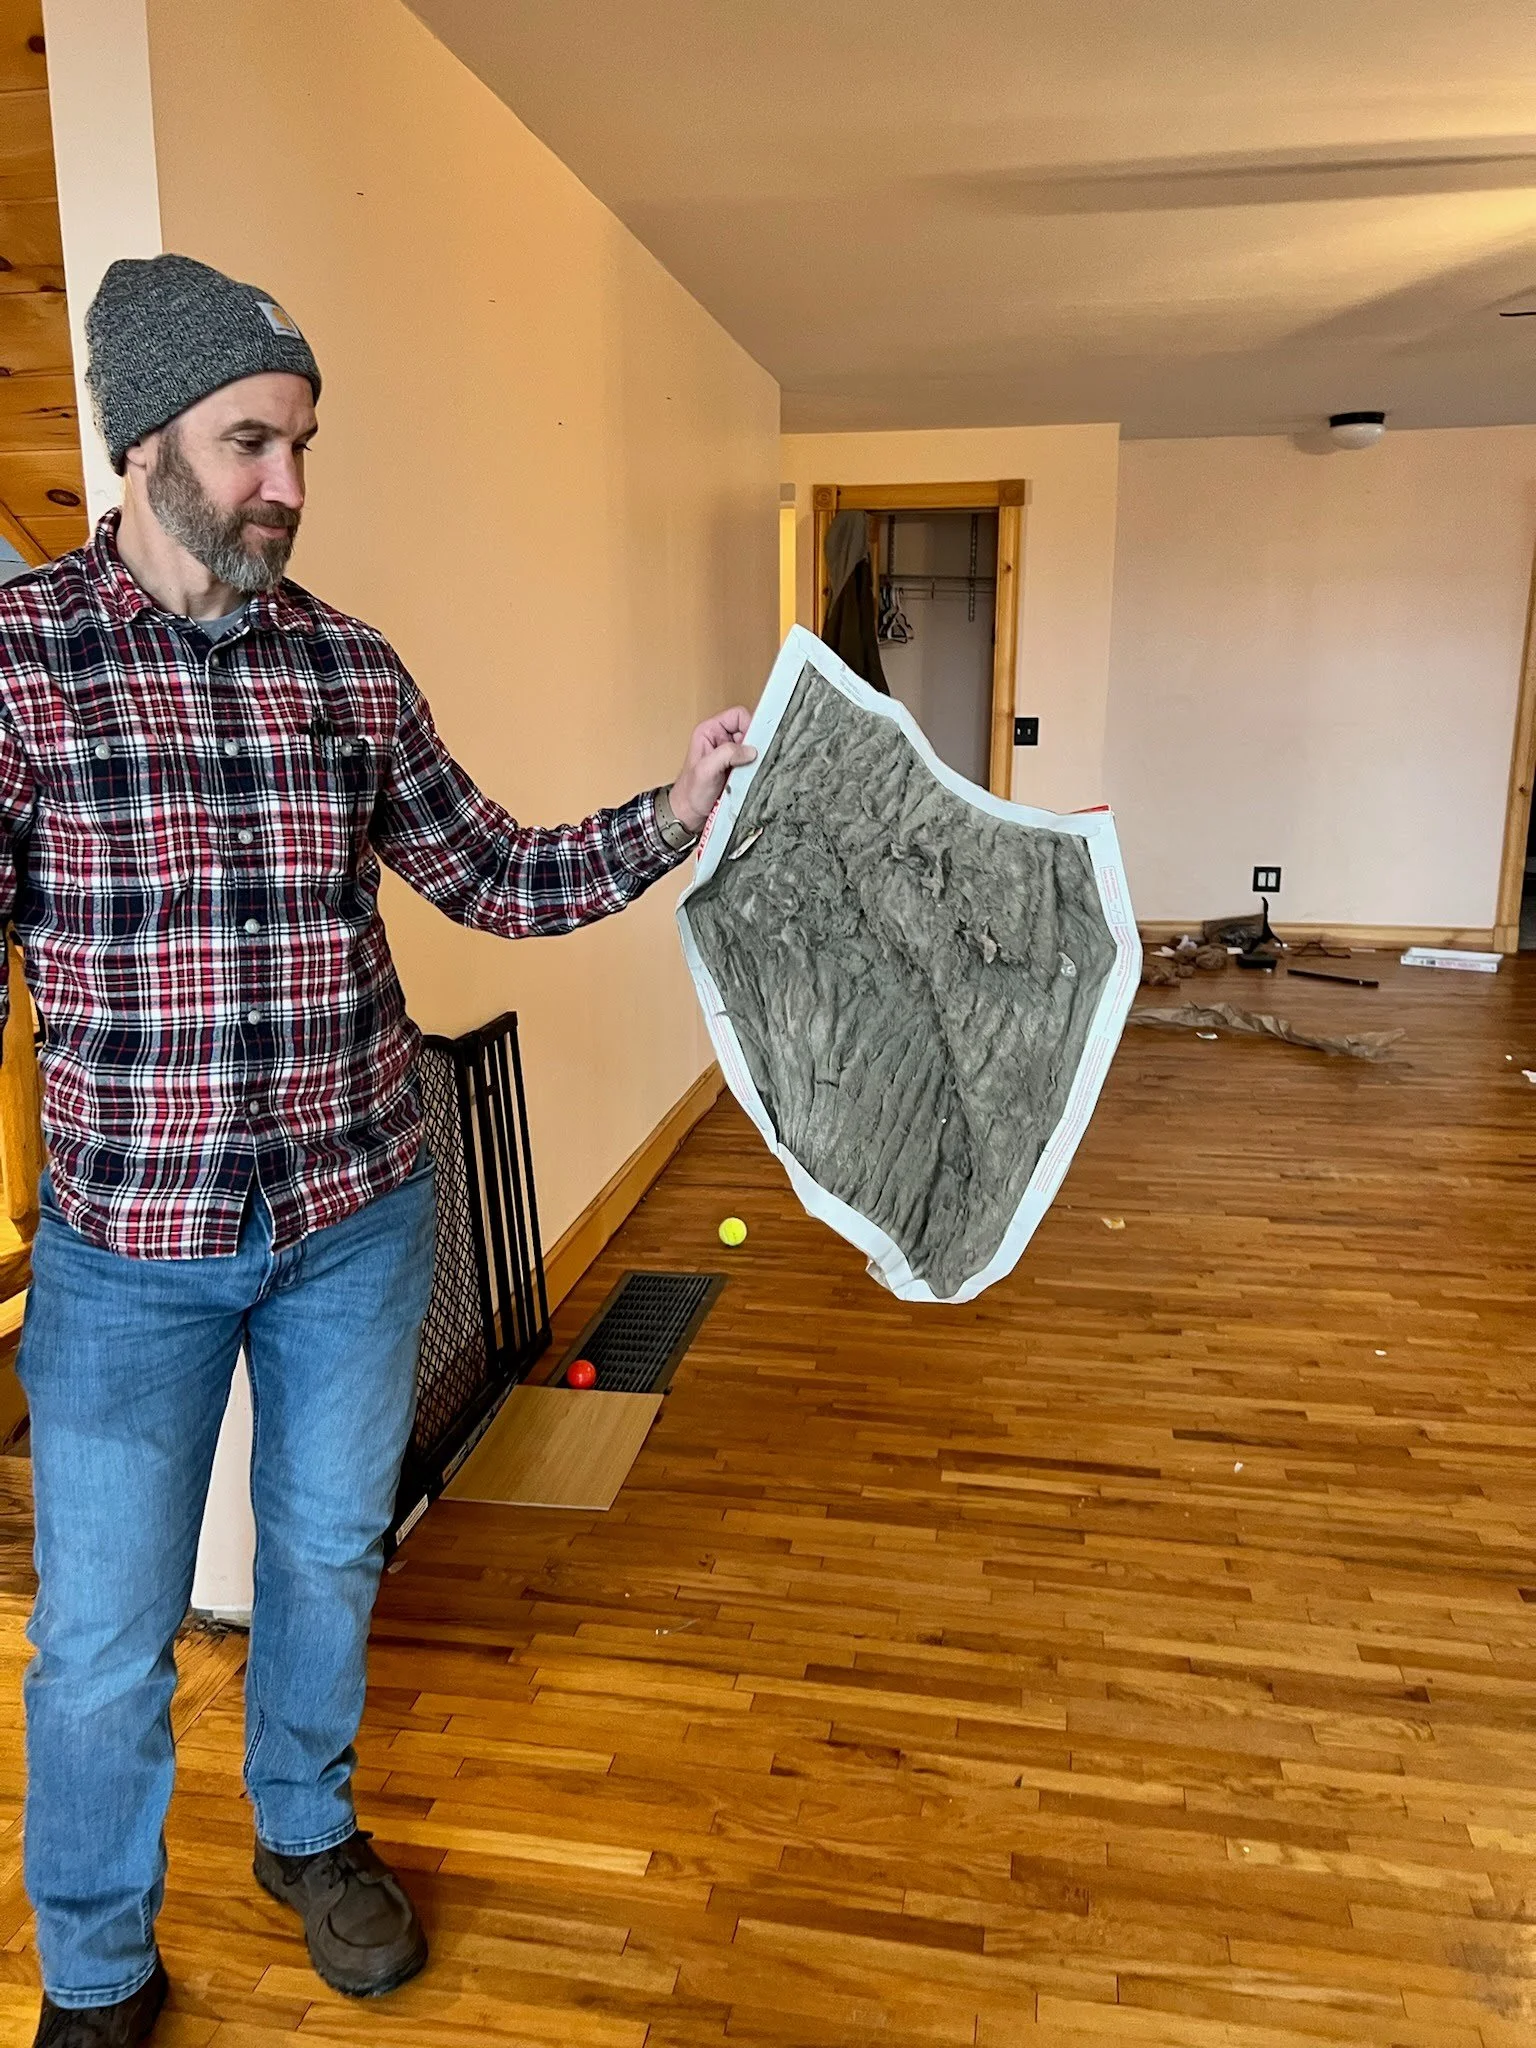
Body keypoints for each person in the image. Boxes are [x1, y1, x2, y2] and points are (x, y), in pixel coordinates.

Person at [0, 253, 754, 2047]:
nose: (288, 481)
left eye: (303, 443)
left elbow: (486, 869)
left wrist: (670, 814)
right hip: (126, 1252)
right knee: (105, 1641)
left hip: (356, 1211)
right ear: (146, 444)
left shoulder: (345, 665)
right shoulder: (20, 671)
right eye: (251, 439)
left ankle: (304, 1828)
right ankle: (96, 1966)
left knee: (330, 1550)